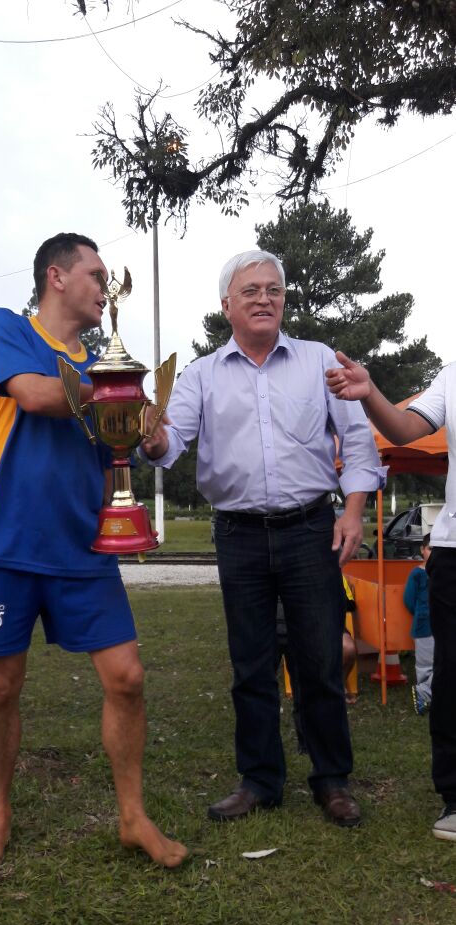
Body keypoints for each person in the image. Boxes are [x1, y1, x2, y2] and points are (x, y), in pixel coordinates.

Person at [0, 232, 187, 870]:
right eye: (95, 274)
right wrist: (120, 395)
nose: (103, 287)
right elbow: (34, 394)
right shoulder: (6, 329)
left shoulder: (106, 360)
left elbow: (140, 449)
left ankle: (133, 818)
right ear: (56, 277)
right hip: (5, 546)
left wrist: (154, 434)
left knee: (127, 679)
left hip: (86, 546)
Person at [142, 248, 385, 827]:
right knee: (249, 663)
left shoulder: (319, 360)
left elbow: (357, 443)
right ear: (226, 304)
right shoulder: (200, 374)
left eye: (273, 290)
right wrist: (148, 438)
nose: (264, 299)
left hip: (310, 531)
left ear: (283, 300)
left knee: (321, 659)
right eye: (250, 290)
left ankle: (331, 778)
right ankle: (259, 780)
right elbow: (170, 446)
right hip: (239, 535)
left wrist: (352, 514)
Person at [327, 353, 456, 842]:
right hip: (453, 549)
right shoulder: (452, 374)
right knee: (452, 673)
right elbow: (404, 430)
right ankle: (454, 798)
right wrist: (371, 392)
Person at [279, 574, 359, 753]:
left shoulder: (327, 568)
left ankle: (310, 742)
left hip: (318, 622)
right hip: (277, 623)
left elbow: (347, 604)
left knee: (308, 686)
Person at [403, 534, 434, 716]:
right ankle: (424, 697)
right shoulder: (417, 573)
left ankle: (426, 692)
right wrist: (423, 615)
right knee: (425, 666)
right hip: (424, 627)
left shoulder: (446, 573)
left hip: (445, 626)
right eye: (430, 549)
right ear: (422, 549)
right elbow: (409, 600)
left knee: (446, 663)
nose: (433, 553)